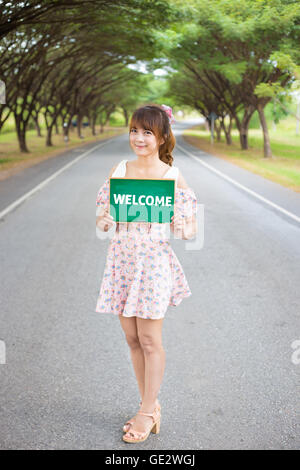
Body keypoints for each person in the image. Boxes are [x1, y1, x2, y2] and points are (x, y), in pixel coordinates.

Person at [95, 104, 198, 444]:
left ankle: (147, 411)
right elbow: (103, 214)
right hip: (122, 262)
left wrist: (183, 226)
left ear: (162, 137)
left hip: (153, 264)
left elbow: (189, 227)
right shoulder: (120, 169)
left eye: (147, 132)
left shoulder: (172, 177)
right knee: (132, 338)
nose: (139, 138)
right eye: (134, 131)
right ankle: (148, 405)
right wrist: (105, 221)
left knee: (151, 339)